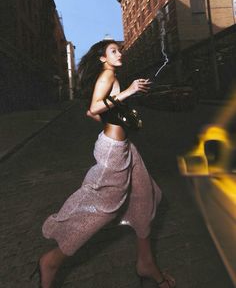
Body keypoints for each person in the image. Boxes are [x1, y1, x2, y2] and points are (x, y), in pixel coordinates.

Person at [31, 40, 176, 288]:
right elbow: (94, 107)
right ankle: (51, 261)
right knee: (100, 209)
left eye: (119, 50)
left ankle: (146, 262)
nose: (120, 53)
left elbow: (93, 114)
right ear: (102, 58)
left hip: (125, 148)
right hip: (114, 153)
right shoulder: (107, 75)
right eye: (113, 51)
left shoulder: (110, 75)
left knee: (145, 196)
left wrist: (114, 120)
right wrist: (128, 92)